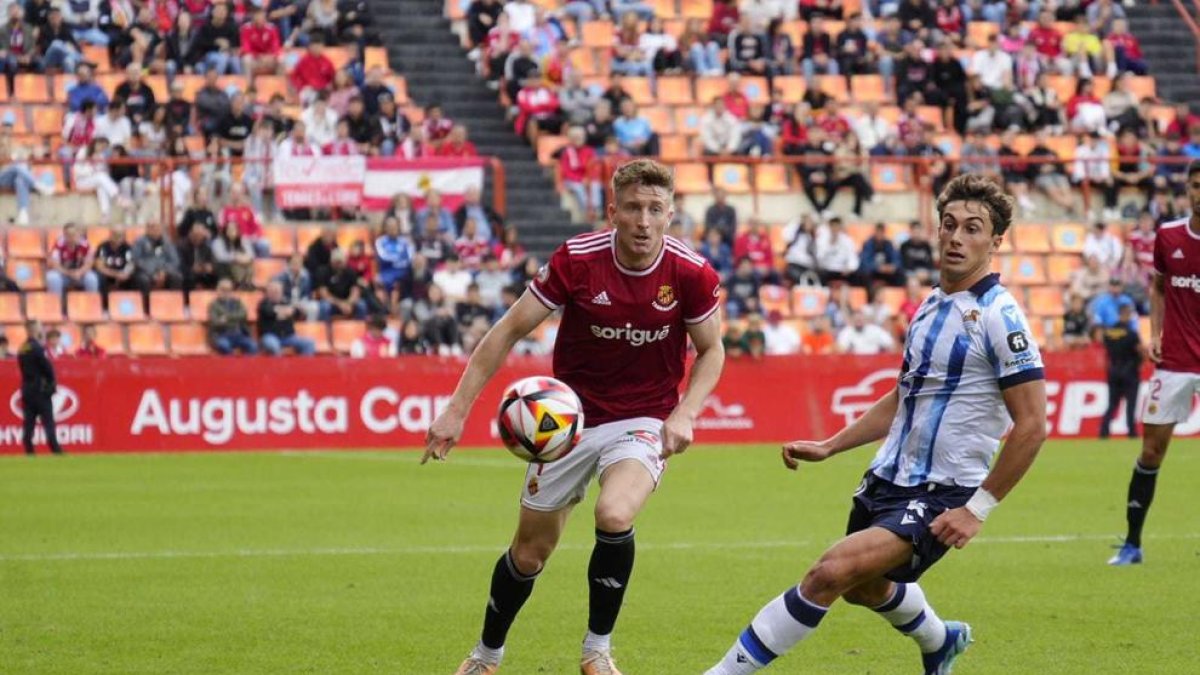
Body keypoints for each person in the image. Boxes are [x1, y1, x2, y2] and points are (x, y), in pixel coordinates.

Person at [705, 174, 1048, 675]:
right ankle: (940, 638)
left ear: (996, 242)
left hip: (942, 490)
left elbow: (1033, 425)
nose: (956, 237)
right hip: (888, 477)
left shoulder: (1001, 317)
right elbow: (902, 397)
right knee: (862, 587)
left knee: (829, 573)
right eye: (948, 225)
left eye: (973, 229)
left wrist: (977, 508)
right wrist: (831, 445)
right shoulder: (930, 304)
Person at [428, 160, 725, 675]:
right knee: (529, 555)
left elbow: (712, 350)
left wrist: (686, 412)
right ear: (613, 211)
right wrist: (457, 408)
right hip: (565, 424)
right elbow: (506, 331)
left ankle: (596, 652)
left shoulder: (691, 273)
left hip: (643, 419)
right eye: (632, 208)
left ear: (671, 214)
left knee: (614, 515)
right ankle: (486, 656)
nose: (643, 220)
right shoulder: (578, 259)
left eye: (655, 209)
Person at [1108, 162, 1200, 566]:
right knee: (1151, 452)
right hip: (1175, 360)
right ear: (1187, 190)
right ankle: (1132, 544)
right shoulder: (1169, 236)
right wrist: (1156, 333)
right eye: (1196, 186)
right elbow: (1160, 286)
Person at [18, 320, 64, 455]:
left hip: (27, 388)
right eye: (39, 328)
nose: (41, 331)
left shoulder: (22, 348)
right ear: (33, 330)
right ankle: (55, 449)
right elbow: (47, 367)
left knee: (29, 422)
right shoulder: (38, 348)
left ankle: (29, 449)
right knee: (48, 421)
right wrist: (52, 381)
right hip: (40, 389)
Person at [1099, 303, 1142, 440]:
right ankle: (1131, 432)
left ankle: (1104, 431)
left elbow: (1105, 347)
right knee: (1131, 403)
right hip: (1130, 371)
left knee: (1112, 403)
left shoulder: (1109, 333)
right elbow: (1140, 351)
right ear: (1126, 314)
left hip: (1113, 370)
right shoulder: (1132, 334)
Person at [258, 281, 316, 356]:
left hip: (288, 336)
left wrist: (284, 311)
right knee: (273, 346)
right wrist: (286, 312)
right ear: (268, 293)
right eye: (273, 291)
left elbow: (297, 313)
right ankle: (279, 367)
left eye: (278, 291)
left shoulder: (286, 302)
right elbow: (270, 312)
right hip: (270, 335)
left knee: (309, 343)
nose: (276, 294)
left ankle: (303, 366)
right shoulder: (263, 304)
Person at [207, 279, 258, 355]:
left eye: (228, 290)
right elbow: (215, 322)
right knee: (223, 345)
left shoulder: (237, 302)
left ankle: (246, 365)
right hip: (221, 335)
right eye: (223, 289)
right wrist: (234, 318)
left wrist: (226, 317)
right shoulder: (214, 305)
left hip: (239, 334)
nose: (226, 292)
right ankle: (232, 365)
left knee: (253, 346)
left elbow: (243, 315)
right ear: (218, 290)